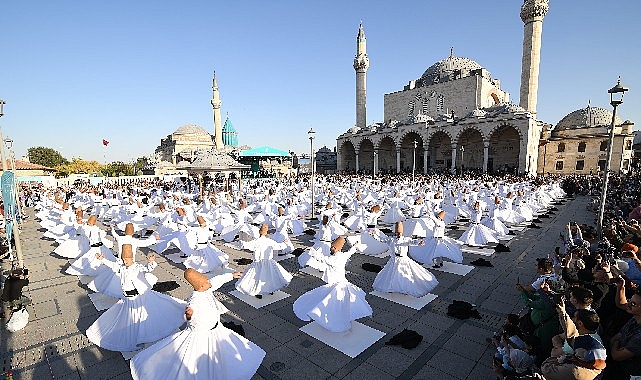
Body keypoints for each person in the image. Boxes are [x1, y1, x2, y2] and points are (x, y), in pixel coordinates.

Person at [129, 269, 266, 380]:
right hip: (202, 336)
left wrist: (231, 275)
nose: (209, 282)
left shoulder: (206, 288)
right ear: (200, 286)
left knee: (222, 354)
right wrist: (188, 315)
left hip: (216, 330)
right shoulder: (194, 302)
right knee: (199, 360)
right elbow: (189, 320)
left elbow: (215, 281)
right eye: (206, 281)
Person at [86, 244, 186, 352]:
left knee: (138, 317)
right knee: (129, 318)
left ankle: (140, 336)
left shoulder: (138, 267)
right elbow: (112, 265)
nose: (125, 261)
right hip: (128, 298)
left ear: (132, 258)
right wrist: (102, 259)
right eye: (124, 259)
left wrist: (151, 262)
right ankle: (136, 335)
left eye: (127, 259)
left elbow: (148, 268)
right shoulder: (122, 267)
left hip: (138, 297)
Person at [293, 236, 372, 333]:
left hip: (337, 286)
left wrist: (312, 251)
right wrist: (355, 246)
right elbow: (350, 252)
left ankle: (334, 320)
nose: (330, 249)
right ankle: (340, 317)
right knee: (340, 303)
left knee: (332, 303)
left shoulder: (333, 259)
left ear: (335, 248)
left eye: (331, 247)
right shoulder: (342, 256)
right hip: (343, 284)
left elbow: (322, 258)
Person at [371, 221, 439, 297]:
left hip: (403, 260)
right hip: (394, 260)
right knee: (392, 274)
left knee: (404, 274)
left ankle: (404, 287)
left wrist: (419, 242)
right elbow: (381, 239)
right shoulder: (391, 239)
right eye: (397, 233)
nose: (398, 234)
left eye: (400, 233)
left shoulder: (405, 239)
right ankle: (392, 286)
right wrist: (374, 235)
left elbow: (412, 241)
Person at [541, 304, 606, 380]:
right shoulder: (590, 340)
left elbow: (548, 365)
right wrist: (562, 313)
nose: (572, 319)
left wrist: (559, 359)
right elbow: (570, 334)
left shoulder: (576, 372)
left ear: (580, 323)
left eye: (574, 317)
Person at [235, 224, 293, 299]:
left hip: (258, 263)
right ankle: (269, 289)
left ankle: (258, 291)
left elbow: (245, 245)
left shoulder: (256, 242)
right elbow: (279, 246)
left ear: (259, 232)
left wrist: (239, 240)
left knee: (257, 277)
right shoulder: (269, 241)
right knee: (269, 276)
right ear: (266, 232)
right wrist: (285, 242)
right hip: (268, 262)